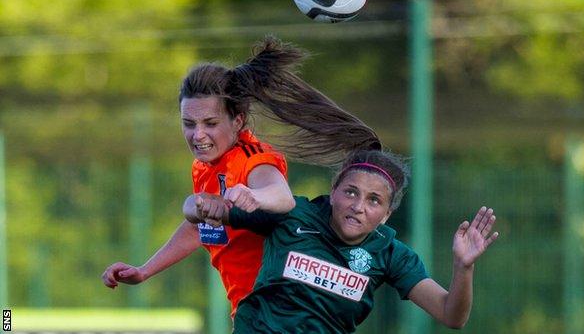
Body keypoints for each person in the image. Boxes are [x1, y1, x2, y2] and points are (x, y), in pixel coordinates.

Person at [181, 40, 499, 332]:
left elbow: (452, 315)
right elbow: (211, 212)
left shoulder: (390, 255)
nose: (358, 206)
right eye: (351, 192)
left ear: (387, 215)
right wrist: (198, 204)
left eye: (374, 201)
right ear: (333, 192)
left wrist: (463, 267)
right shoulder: (293, 218)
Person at [101, 37, 303, 317]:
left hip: (280, 315)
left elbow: (282, 196)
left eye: (210, 123)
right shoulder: (203, 167)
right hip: (250, 313)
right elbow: (200, 228)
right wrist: (144, 271)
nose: (198, 135)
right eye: (188, 123)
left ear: (238, 120)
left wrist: (254, 196)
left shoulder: (252, 159)